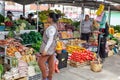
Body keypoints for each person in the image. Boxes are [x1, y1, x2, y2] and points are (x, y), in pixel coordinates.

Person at [38, 12, 61, 80]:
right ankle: (50, 77)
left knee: (40, 63)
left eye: (48, 17)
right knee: (51, 63)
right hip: (52, 47)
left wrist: (45, 50)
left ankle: (44, 77)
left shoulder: (51, 28)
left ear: (51, 19)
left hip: (48, 47)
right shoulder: (54, 26)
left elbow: (50, 39)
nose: (47, 18)